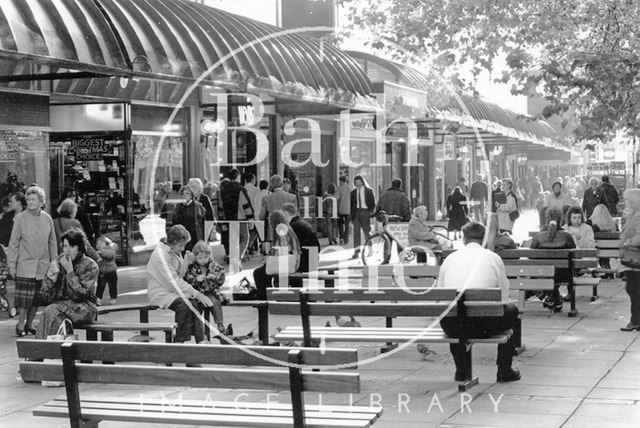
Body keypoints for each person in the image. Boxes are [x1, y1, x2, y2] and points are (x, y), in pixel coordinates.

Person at [437, 222, 520, 383]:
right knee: (512, 310)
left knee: (453, 310)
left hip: (454, 326)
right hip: (485, 325)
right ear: (484, 239)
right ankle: (504, 370)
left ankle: (462, 371)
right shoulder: (493, 258)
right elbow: (504, 295)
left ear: (463, 239)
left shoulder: (450, 259)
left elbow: (440, 295)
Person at [147, 225, 213, 343]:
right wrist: (197, 294)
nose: (183, 248)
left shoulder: (173, 249)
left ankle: (200, 339)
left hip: (173, 291)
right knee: (185, 304)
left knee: (194, 303)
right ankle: (181, 342)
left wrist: (186, 261)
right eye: (181, 245)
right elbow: (174, 282)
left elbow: (180, 275)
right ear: (174, 241)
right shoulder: (161, 255)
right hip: (161, 292)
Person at [7, 186, 58, 337]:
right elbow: (14, 243)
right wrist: (11, 264)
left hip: (42, 265)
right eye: (28, 199)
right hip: (25, 264)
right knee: (25, 300)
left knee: (37, 298)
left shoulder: (47, 218)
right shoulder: (20, 218)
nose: (30, 202)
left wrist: (54, 263)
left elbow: (52, 242)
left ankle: (30, 324)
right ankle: (20, 323)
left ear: (41, 202)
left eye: (33, 199)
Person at [35, 229, 98, 339]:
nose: (67, 250)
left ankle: (41, 352)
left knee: (51, 311)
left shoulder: (90, 265)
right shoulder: (58, 262)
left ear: (80, 248)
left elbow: (79, 295)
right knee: (52, 313)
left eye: (72, 246)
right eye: (65, 246)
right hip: (59, 308)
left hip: (84, 308)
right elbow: (46, 297)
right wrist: (50, 280)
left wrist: (70, 272)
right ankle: (51, 351)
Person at [531, 207, 576, 312]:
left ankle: (551, 297)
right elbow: (575, 256)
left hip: (542, 273)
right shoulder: (567, 236)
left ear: (546, 219)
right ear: (561, 219)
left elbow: (531, 256)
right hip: (563, 275)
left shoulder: (538, 237)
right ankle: (554, 297)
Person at [252, 211, 302, 300]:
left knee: (258, 273)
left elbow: (282, 251)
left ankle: (264, 298)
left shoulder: (281, 232)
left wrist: (268, 259)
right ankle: (268, 295)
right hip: (292, 262)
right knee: (264, 271)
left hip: (286, 264)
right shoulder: (288, 229)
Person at [183, 240, 227, 338]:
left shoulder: (214, 266)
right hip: (198, 293)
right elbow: (187, 280)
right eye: (200, 258)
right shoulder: (192, 268)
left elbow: (222, 277)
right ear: (195, 258)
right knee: (197, 307)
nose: (203, 260)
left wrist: (215, 277)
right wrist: (196, 280)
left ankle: (220, 324)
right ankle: (198, 329)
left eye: (205, 257)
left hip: (211, 292)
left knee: (215, 303)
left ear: (209, 256)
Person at [217, 168, 255, 263]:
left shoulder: (223, 190)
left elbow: (220, 206)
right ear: (238, 177)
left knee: (233, 239)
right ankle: (237, 256)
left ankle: (232, 255)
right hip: (240, 218)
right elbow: (246, 205)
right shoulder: (240, 189)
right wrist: (250, 219)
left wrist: (222, 221)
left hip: (228, 218)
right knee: (245, 238)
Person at [283, 202, 320, 286]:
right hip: (313, 260)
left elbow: (289, 248)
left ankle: (291, 295)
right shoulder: (304, 223)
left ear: (286, 214)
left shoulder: (292, 226)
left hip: (303, 262)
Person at [619, 188, 640, 331]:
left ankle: (635, 321)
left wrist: (629, 242)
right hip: (633, 260)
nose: (624, 202)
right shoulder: (633, 215)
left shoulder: (638, 216)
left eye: (626, 199)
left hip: (636, 259)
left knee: (634, 290)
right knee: (633, 289)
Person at [173, 185, 206, 251]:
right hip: (182, 237)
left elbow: (202, 222)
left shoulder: (197, 206)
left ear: (191, 195)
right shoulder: (179, 206)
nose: (184, 195)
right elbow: (175, 221)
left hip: (194, 236)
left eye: (187, 193)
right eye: (183, 194)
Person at [350, 175, 376, 259]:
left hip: (365, 212)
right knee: (356, 233)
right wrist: (352, 217)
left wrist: (370, 212)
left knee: (366, 232)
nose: (357, 184)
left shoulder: (369, 191)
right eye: (356, 182)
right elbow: (351, 205)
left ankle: (370, 249)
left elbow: (373, 203)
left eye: (359, 182)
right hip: (356, 213)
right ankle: (356, 252)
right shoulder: (353, 192)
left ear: (362, 182)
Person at [95, 236, 118, 306]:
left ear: (106, 243)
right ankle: (98, 298)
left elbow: (109, 255)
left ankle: (113, 297)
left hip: (111, 272)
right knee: (100, 286)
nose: (98, 245)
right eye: (97, 243)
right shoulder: (99, 252)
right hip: (102, 272)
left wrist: (101, 253)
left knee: (112, 286)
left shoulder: (111, 249)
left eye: (101, 243)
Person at [336, 175, 352, 245]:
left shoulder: (339, 188)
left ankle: (341, 237)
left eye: (339, 181)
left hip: (341, 209)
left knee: (340, 224)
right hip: (348, 210)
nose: (339, 182)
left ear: (342, 181)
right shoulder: (350, 188)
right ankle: (346, 239)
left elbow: (336, 197)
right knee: (347, 225)